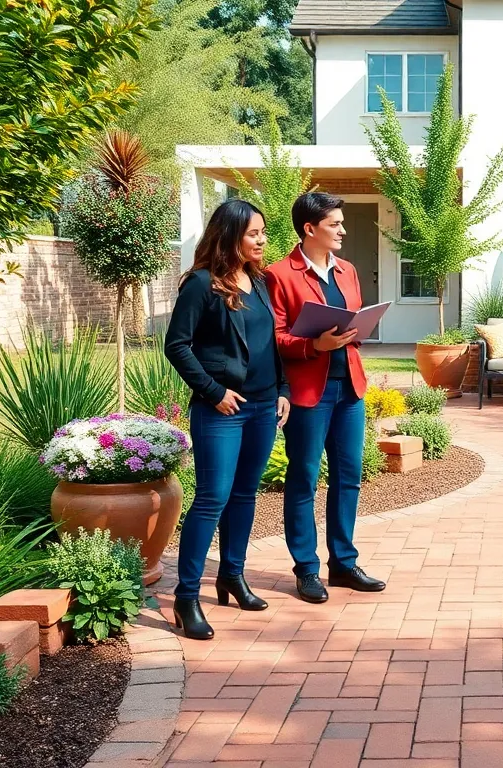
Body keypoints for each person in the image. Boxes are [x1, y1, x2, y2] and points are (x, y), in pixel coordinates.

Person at [164, 199, 291, 639]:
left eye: (263, 232)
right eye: (254, 233)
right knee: (212, 498)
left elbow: (269, 343)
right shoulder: (201, 285)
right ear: (230, 235)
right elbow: (177, 345)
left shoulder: (259, 283)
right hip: (222, 410)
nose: (262, 240)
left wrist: (283, 390)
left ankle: (232, 576)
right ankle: (186, 597)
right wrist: (213, 392)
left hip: (262, 407)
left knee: (244, 495)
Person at [266, 192, 386, 603]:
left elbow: (349, 320)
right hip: (308, 393)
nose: (342, 230)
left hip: (348, 388)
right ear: (310, 228)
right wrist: (315, 345)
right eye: (334, 224)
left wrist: (355, 332)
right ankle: (307, 569)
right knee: (303, 479)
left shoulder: (348, 271)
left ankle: (343, 563)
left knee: (349, 476)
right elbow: (275, 338)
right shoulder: (279, 274)